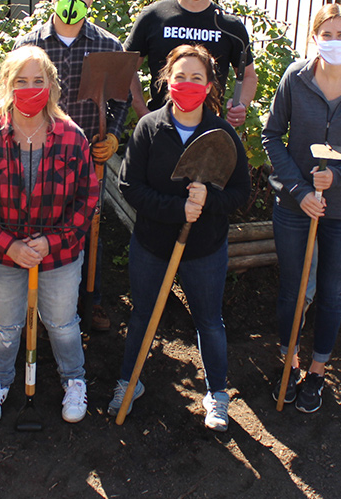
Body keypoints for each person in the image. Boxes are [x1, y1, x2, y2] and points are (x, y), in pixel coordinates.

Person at [112, 45, 250, 432]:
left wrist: (210, 200)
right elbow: (129, 185)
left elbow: (242, 192)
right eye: (180, 77)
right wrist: (177, 210)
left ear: (208, 86)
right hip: (153, 245)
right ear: (167, 81)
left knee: (209, 320)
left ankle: (218, 394)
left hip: (204, 248)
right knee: (143, 315)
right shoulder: (150, 128)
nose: (187, 84)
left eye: (196, 78)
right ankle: (129, 382)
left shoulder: (221, 134)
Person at [263, 4, 341, 413]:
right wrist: (298, 189)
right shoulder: (295, 79)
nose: (335, 41)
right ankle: (290, 362)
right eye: (327, 34)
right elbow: (272, 137)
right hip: (295, 204)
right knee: (293, 289)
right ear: (314, 37)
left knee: (332, 291)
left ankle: (317, 371)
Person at [0, 46, 99, 425]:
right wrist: (10, 245)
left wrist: (52, 242)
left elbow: (87, 199)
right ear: (7, 85)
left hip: (57, 253)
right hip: (2, 253)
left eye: (38, 81)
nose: (29, 88)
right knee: (5, 323)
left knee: (60, 321)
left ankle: (74, 379)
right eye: (21, 81)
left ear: (51, 85)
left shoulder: (71, 137)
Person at [13, 0, 130, 333]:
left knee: (85, 225)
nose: (73, 2)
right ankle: (37, 304)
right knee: (41, 226)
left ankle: (88, 299)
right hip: (38, 154)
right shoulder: (29, 47)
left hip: (84, 160)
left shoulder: (108, 47)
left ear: (92, 1)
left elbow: (121, 98)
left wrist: (111, 134)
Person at [125, 0, 256, 129]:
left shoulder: (230, 27)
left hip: (209, 132)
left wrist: (241, 104)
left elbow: (249, 75)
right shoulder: (153, 16)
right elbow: (126, 68)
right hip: (160, 126)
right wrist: (142, 113)